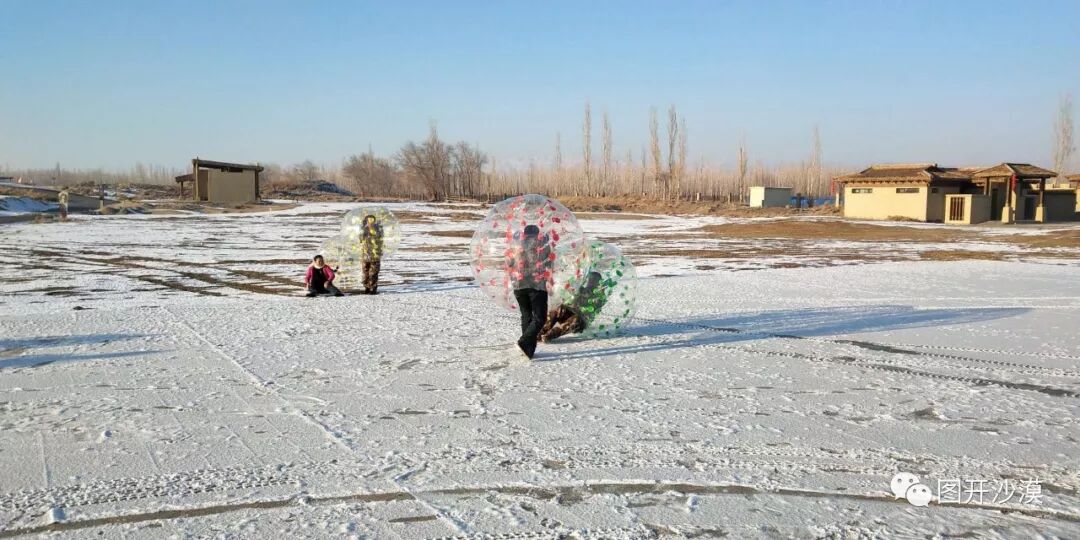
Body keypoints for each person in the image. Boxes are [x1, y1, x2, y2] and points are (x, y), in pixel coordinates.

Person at [508, 224, 553, 359]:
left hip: (519, 286)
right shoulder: (543, 245)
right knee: (540, 317)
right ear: (537, 234)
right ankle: (524, 341)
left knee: (526, 316)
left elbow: (509, 264)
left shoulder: (515, 246)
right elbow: (549, 264)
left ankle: (528, 350)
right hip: (536, 286)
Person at [540, 271, 609, 342]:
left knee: (576, 318)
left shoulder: (599, 295)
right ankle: (541, 331)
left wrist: (601, 293)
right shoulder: (582, 289)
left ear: (598, 282)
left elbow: (598, 304)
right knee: (561, 308)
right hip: (571, 315)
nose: (591, 281)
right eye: (590, 279)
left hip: (581, 322)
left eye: (594, 280)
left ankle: (550, 335)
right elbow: (570, 298)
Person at [360, 214, 384, 294]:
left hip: (375, 256)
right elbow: (360, 239)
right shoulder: (363, 230)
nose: (370, 222)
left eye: (372, 220)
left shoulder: (378, 229)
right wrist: (362, 229)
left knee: (373, 273)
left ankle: (373, 288)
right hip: (365, 256)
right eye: (368, 220)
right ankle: (366, 287)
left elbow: (381, 239)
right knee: (365, 273)